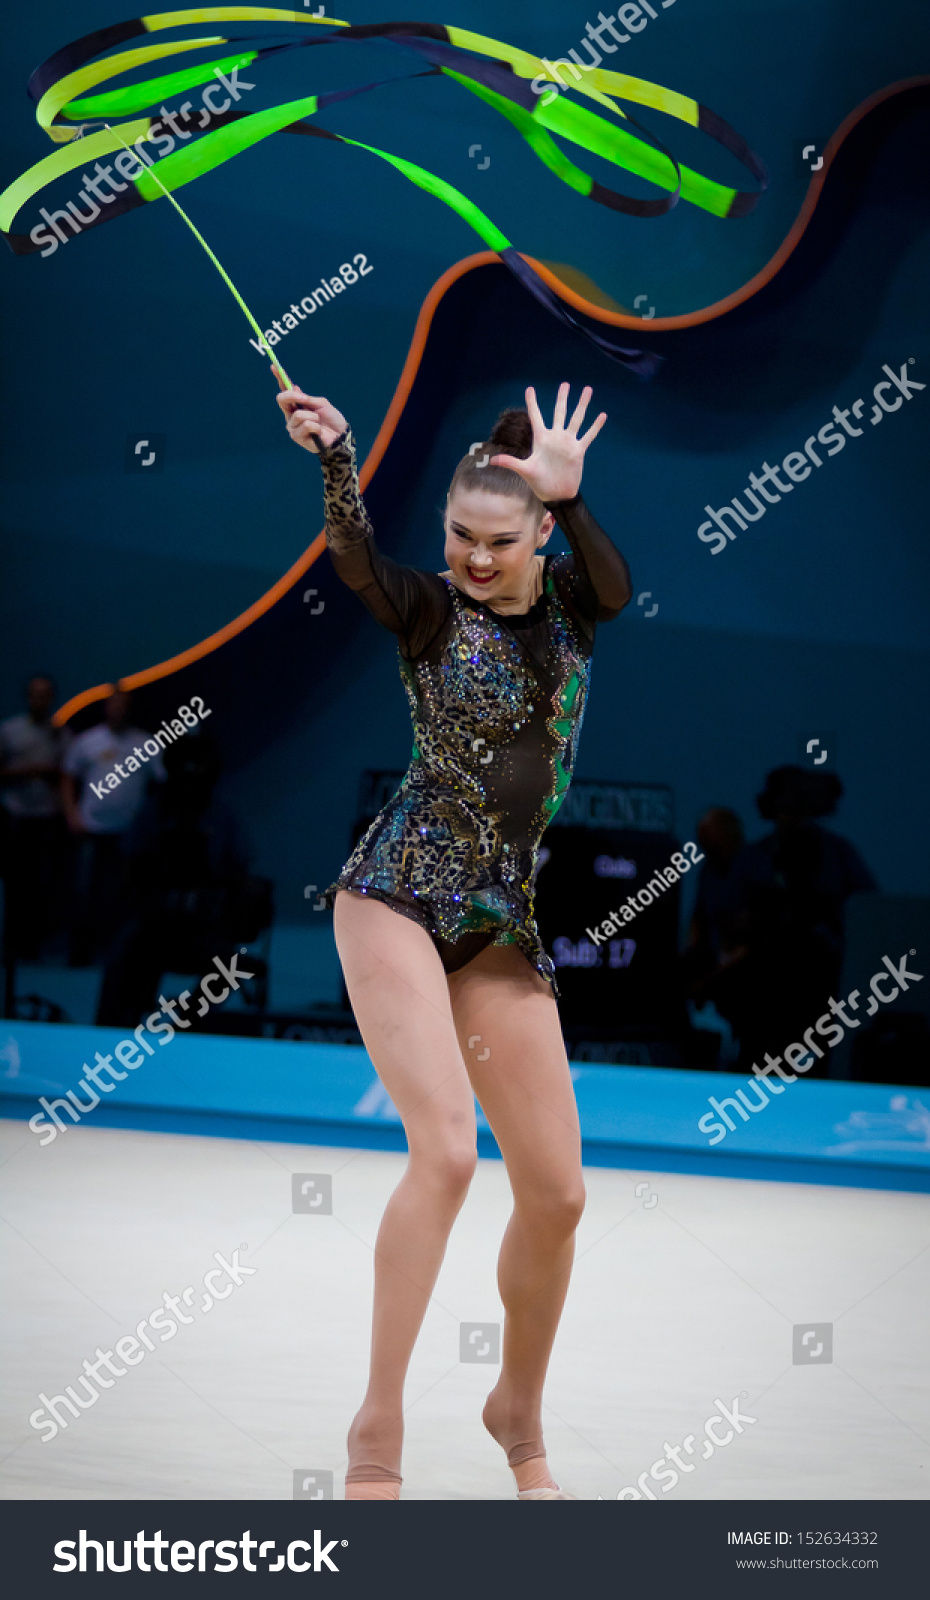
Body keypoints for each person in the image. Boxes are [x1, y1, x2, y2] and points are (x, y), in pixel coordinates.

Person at [276, 372, 632, 1500]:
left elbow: (613, 587)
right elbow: (356, 563)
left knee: (562, 1192)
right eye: (458, 536)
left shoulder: (573, 601)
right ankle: (375, 1431)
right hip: (395, 892)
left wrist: (571, 501)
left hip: (499, 921)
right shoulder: (430, 609)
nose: (474, 558)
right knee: (443, 1149)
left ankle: (514, 1410)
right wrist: (337, 461)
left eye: (496, 540)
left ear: (537, 536)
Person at [711, 766, 877, 1077]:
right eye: (786, 807)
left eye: (801, 807)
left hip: (822, 993)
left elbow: (869, 921)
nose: (794, 817)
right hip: (763, 998)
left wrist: (822, 915)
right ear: (771, 808)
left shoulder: (839, 856)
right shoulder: (755, 859)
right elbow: (727, 925)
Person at [94, 731, 263, 1027]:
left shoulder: (222, 817)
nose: (190, 780)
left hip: (204, 926)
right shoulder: (152, 813)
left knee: (231, 966)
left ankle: (186, 1025)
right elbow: (130, 867)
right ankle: (111, 1030)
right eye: (185, 769)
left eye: (198, 770)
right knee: (123, 951)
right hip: (153, 923)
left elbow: (242, 871)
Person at [61, 689, 166, 964]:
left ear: (130, 709)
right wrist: (72, 814)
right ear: (106, 708)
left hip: (129, 832)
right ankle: (80, 954)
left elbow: (163, 781)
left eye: (123, 706)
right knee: (85, 892)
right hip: (91, 828)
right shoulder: (87, 741)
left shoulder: (146, 743)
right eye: (113, 706)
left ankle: (119, 954)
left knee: (126, 894)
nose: (117, 711)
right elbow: (68, 778)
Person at [0, 674, 69, 959]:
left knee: (42, 886)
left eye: (45, 694)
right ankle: (12, 944)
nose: (40, 699)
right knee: (16, 884)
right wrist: (30, 771)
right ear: (28, 697)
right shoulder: (9, 730)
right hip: (16, 815)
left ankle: (33, 947)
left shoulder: (61, 734)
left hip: (47, 818)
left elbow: (67, 774)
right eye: (35, 694)